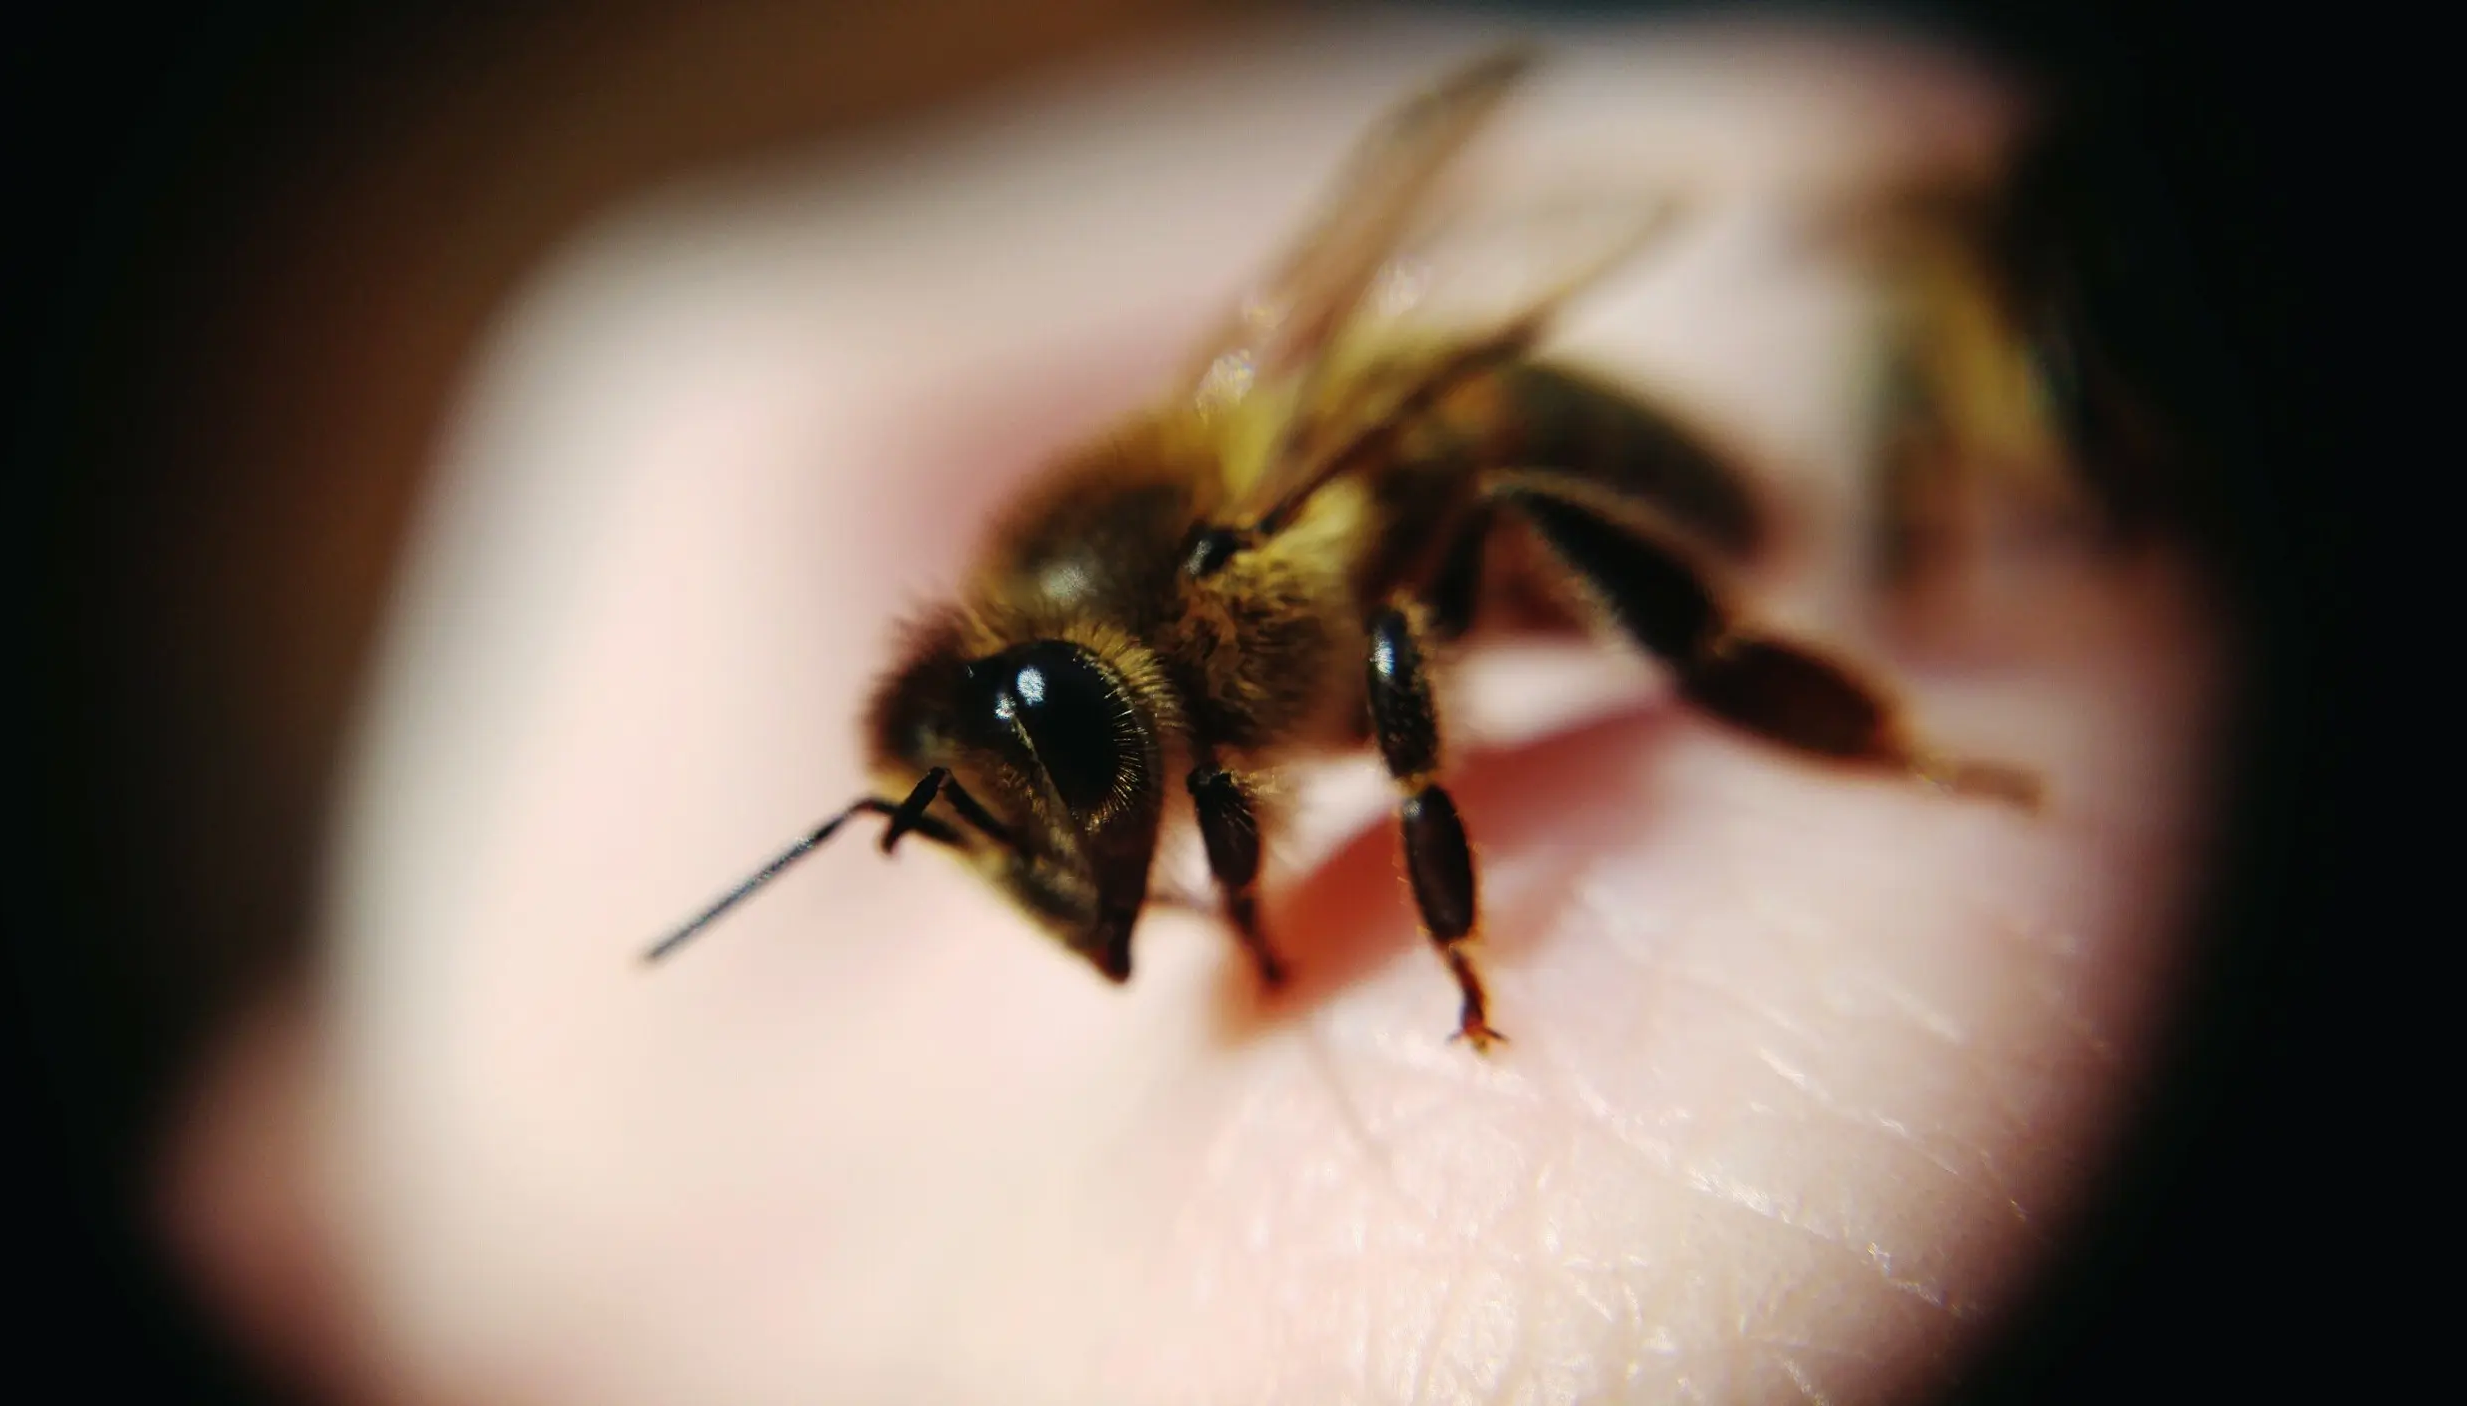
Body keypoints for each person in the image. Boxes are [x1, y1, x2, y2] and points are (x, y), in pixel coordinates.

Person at [167, 23, 2221, 1403]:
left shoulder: (1232, 587)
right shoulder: (1083, 673)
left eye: (1050, 798)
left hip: (1528, 474)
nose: (1073, 861)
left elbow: (1390, 654)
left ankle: (1886, 738)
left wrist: (1439, 946)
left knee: (1460, 570)